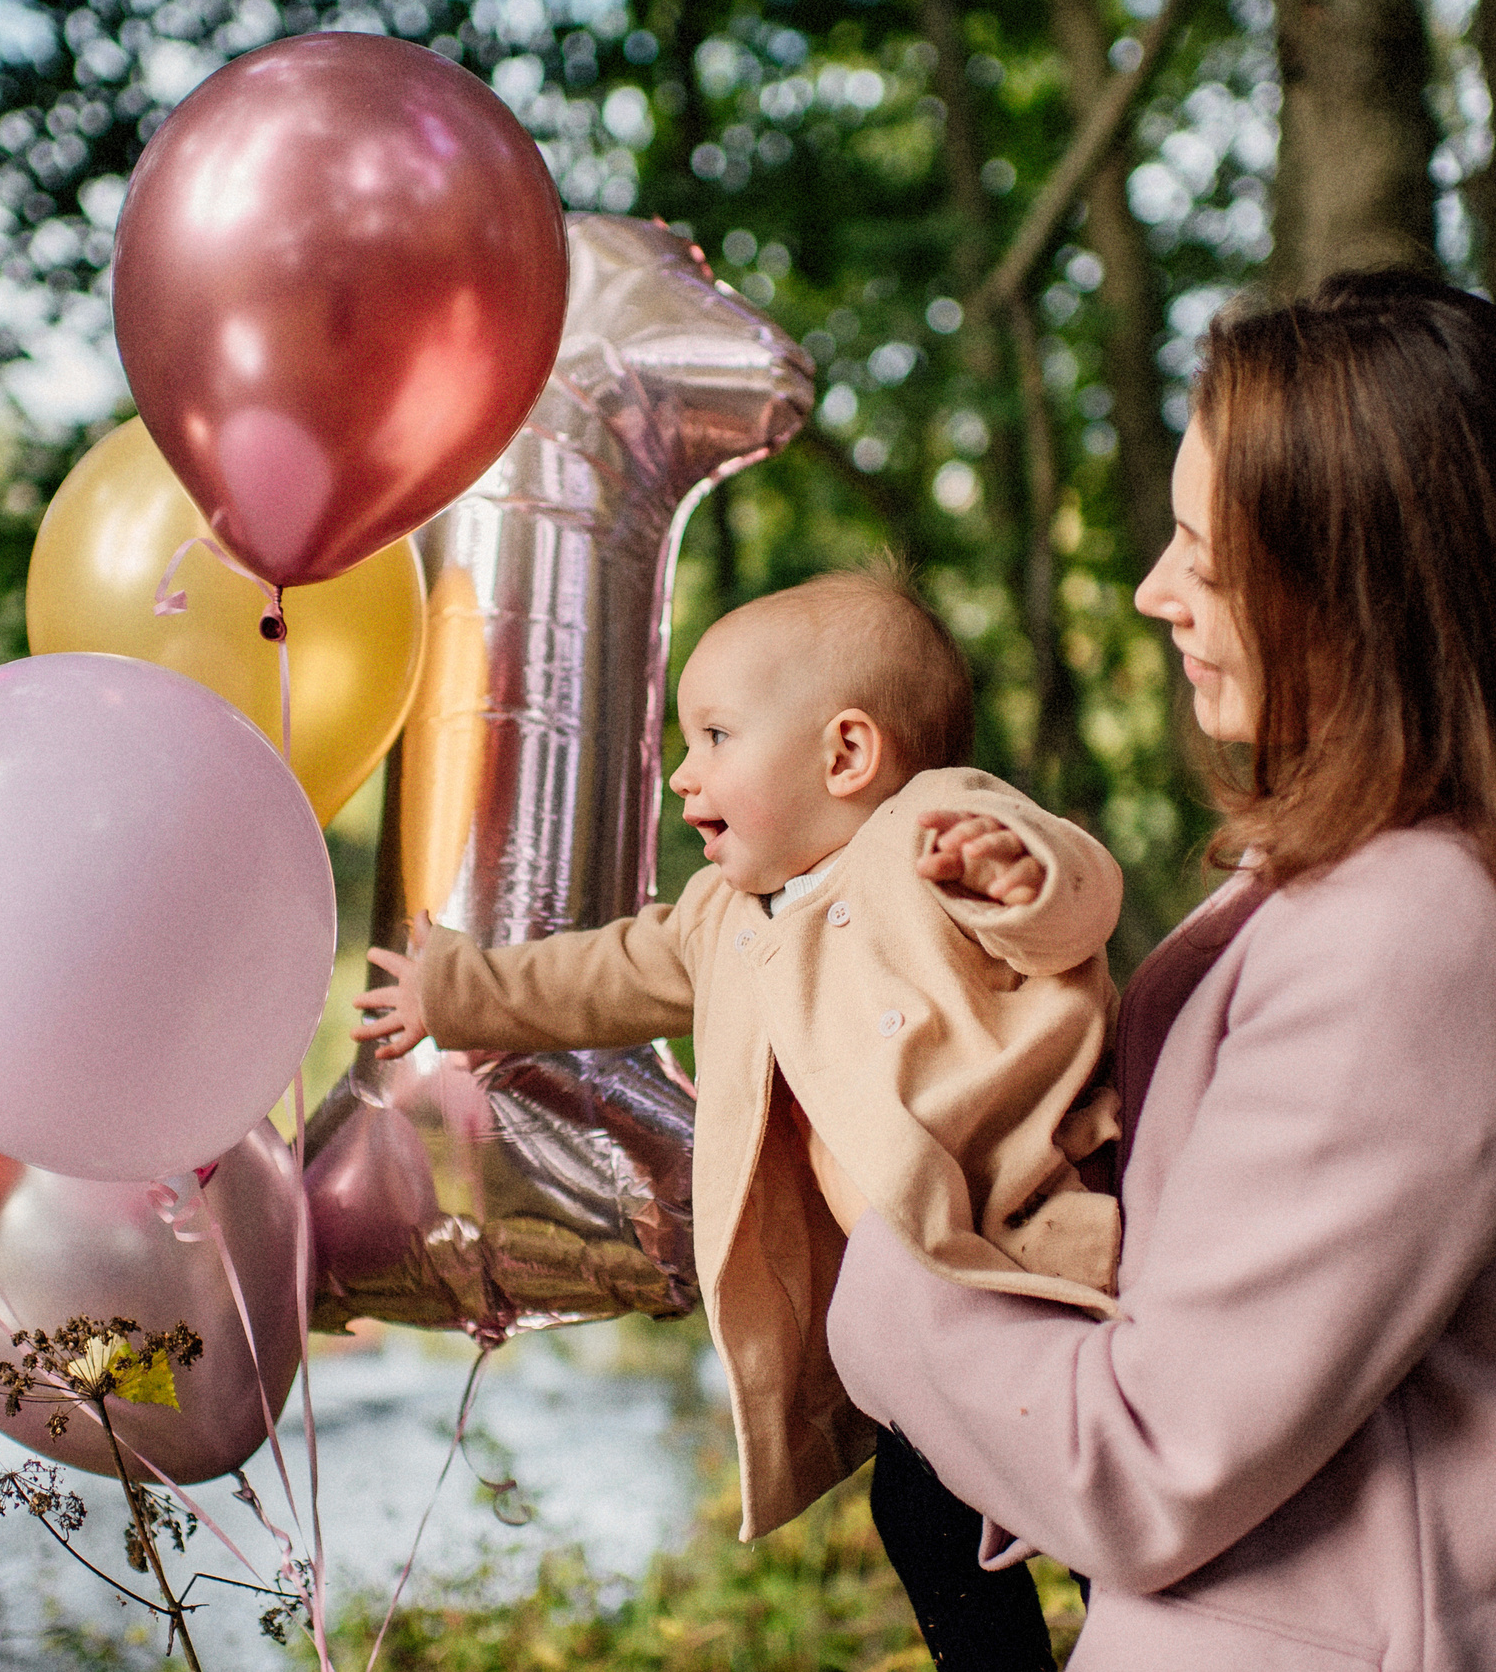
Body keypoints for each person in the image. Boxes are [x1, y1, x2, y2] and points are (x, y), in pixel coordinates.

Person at [825, 269, 1496, 1671]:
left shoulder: (1419, 940)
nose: (1154, 592)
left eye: (1207, 557)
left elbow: (1147, 1462)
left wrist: (877, 1258)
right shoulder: (1411, 886)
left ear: (1361, 590)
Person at [356, 566, 1123, 1667]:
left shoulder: (932, 831)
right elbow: (609, 970)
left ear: (846, 755)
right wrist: (459, 990)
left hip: (1030, 1265)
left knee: (1106, 1520)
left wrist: (1015, 874)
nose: (681, 773)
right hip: (914, 1323)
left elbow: (1072, 898)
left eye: (715, 735)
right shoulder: (727, 916)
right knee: (923, 1518)